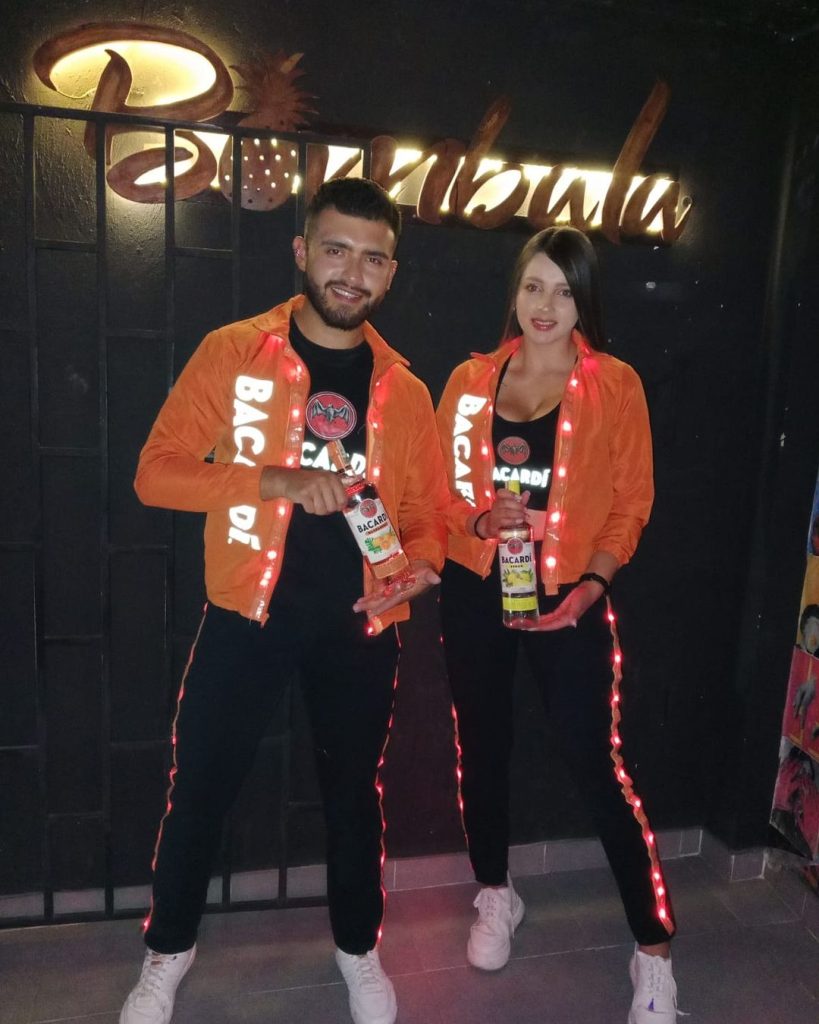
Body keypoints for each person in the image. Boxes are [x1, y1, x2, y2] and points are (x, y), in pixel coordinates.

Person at [121, 177, 448, 1024]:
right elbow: (156, 474)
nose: (352, 272)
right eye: (336, 250)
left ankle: (358, 949)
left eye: (372, 258)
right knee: (200, 790)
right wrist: (272, 480)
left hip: (361, 625)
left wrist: (423, 564)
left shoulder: (405, 389)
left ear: (390, 271)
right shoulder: (235, 351)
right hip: (247, 616)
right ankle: (167, 952)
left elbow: (425, 516)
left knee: (353, 799)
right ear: (302, 252)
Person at [435, 226, 679, 1023]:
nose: (545, 306)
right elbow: (435, 492)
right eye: (533, 286)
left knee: (595, 763)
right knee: (481, 748)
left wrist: (592, 586)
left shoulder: (615, 385)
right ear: (514, 291)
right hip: (478, 591)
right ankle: (494, 891)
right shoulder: (468, 382)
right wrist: (479, 520)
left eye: (564, 291)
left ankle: (652, 950)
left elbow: (631, 502)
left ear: (584, 302)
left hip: (568, 597)